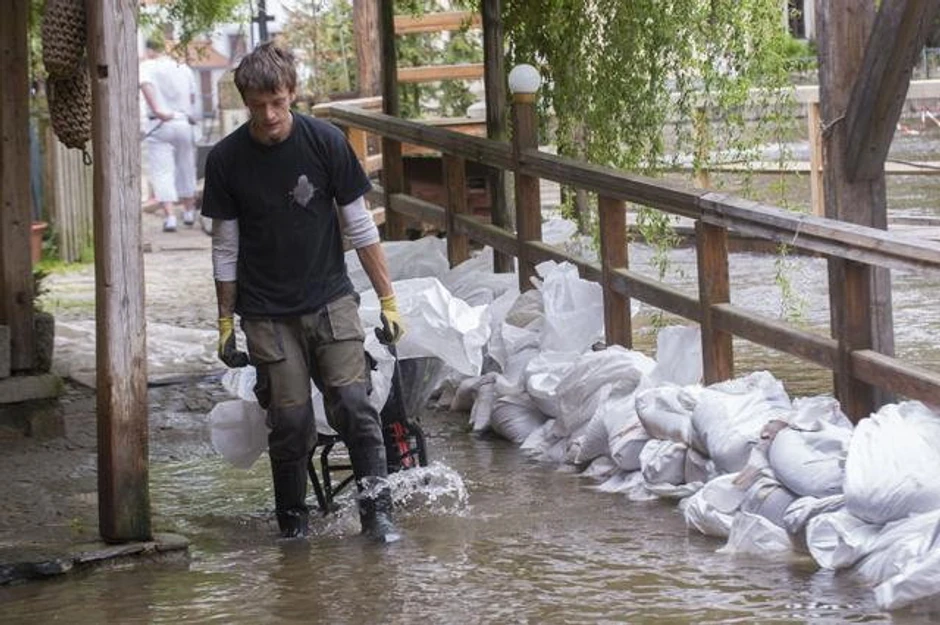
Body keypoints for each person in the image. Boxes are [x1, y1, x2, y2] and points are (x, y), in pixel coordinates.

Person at [201, 42, 406, 543]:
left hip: (330, 299)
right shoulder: (228, 159)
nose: (268, 114)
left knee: (355, 406)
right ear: (244, 101)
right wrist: (226, 322)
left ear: (292, 92)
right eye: (256, 104)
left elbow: (360, 227)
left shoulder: (326, 142)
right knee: (290, 421)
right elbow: (226, 249)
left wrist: (388, 300)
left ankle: (376, 515)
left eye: (276, 101)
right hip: (266, 311)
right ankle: (293, 523)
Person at [139, 38, 199, 232]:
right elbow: (192, 96)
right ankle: (189, 212)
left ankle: (171, 217)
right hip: (183, 121)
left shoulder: (147, 66)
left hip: (160, 122)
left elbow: (145, 85)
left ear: (149, 51)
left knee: (162, 170)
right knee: (186, 166)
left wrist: (158, 109)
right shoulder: (183, 68)